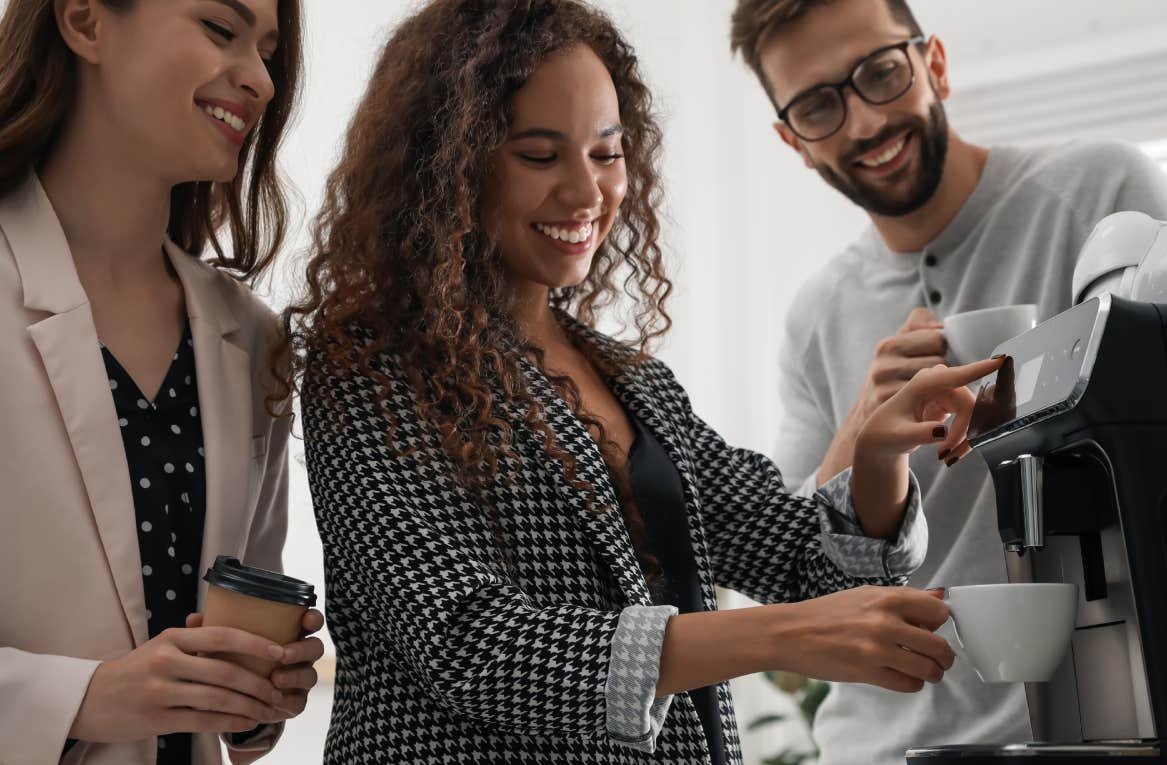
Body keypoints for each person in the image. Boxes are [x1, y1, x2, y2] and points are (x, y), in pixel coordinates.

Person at [284, 0, 1004, 761]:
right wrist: (779, 636)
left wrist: (882, 455)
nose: (587, 192)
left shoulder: (632, 382)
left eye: (607, 151)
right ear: (449, 165)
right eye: (539, 155)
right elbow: (469, 641)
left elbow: (803, 564)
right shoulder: (369, 362)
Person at [728, 0, 1167, 760]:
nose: (864, 123)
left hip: (1092, 733)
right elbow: (794, 576)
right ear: (794, 142)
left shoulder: (1100, 193)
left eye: (880, 72)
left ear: (932, 64)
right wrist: (862, 425)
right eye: (818, 105)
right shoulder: (817, 314)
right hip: (873, 745)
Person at [0, 1, 325, 763]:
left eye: (268, 50)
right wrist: (82, 700)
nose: (261, 81)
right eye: (220, 28)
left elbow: (247, 606)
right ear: (84, 21)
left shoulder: (253, 337)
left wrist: (258, 698)